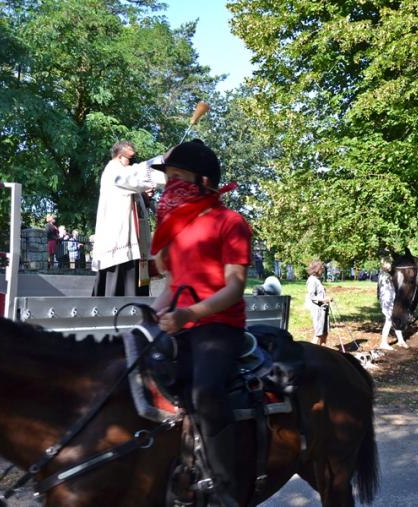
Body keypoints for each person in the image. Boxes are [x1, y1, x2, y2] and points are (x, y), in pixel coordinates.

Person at [150, 139, 249, 506]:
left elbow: (234, 288)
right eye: (168, 179)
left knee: (205, 392)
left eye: (178, 178)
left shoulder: (231, 222)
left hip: (219, 326)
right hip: (179, 324)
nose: (170, 186)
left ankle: (225, 489)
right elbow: (172, 285)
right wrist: (153, 314)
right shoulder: (175, 229)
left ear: (204, 182)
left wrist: (188, 315)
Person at [91, 140, 165, 296]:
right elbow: (135, 175)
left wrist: (145, 197)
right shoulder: (113, 171)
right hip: (119, 250)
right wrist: (164, 160)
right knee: (117, 297)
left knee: (135, 297)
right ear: (119, 156)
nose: (132, 163)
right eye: (130, 159)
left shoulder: (123, 174)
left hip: (135, 252)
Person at [377, 261, 408, 350]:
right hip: (387, 300)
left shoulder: (383, 274)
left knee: (394, 319)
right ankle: (383, 342)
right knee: (389, 320)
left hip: (389, 299)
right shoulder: (386, 276)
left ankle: (401, 340)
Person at [305, 260, 330, 346]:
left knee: (325, 332)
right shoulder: (312, 280)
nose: (323, 270)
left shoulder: (317, 280)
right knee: (318, 334)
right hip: (317, 310)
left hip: (323, 309)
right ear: (317, 269)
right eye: (322, 269)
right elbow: (311, 296)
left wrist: (326, 298)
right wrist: (323, 300)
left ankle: (324, 351)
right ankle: (310, 351)